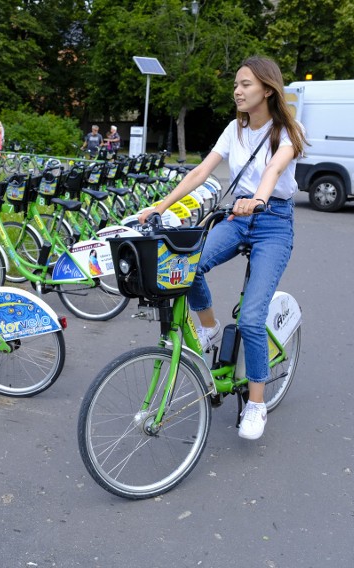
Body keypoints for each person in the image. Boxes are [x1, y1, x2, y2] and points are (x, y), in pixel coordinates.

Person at [138, 55, 307, 441]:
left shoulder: (288, 131)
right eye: (236, 83)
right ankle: (211, 328)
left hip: (273, 222)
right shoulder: (235, 129)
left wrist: (259, 200)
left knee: (251, 318)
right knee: (187, 266)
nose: (238, 90)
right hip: (237, 216)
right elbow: (201, 171)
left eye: (246, 84)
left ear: (267, 88)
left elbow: (273, 171)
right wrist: (161, 205)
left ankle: (258, 403)